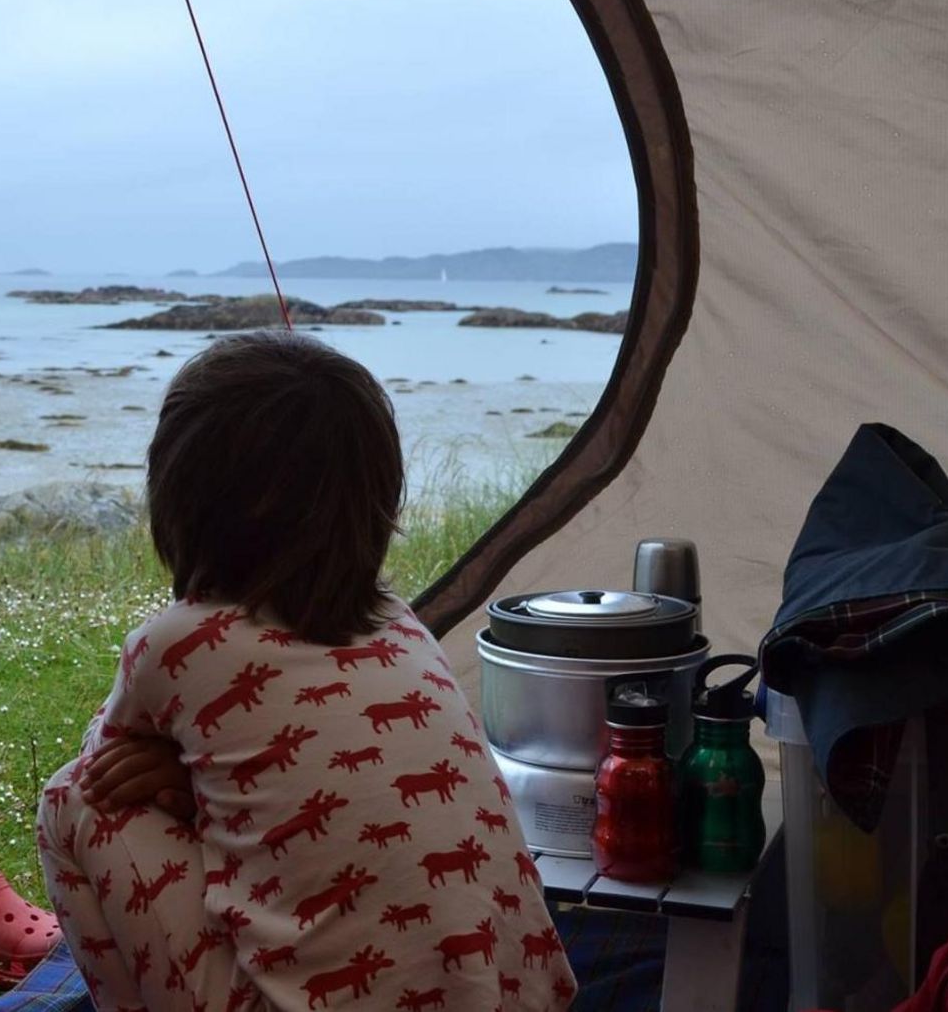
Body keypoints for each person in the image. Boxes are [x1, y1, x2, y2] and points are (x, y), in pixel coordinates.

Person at [37, 330, 577, 1011]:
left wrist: (185, 780)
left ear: (180, 499)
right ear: (376, 499)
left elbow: (110, 766)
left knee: (75, 800)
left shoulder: (175, 643)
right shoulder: (405, 626)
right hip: (520, 999)